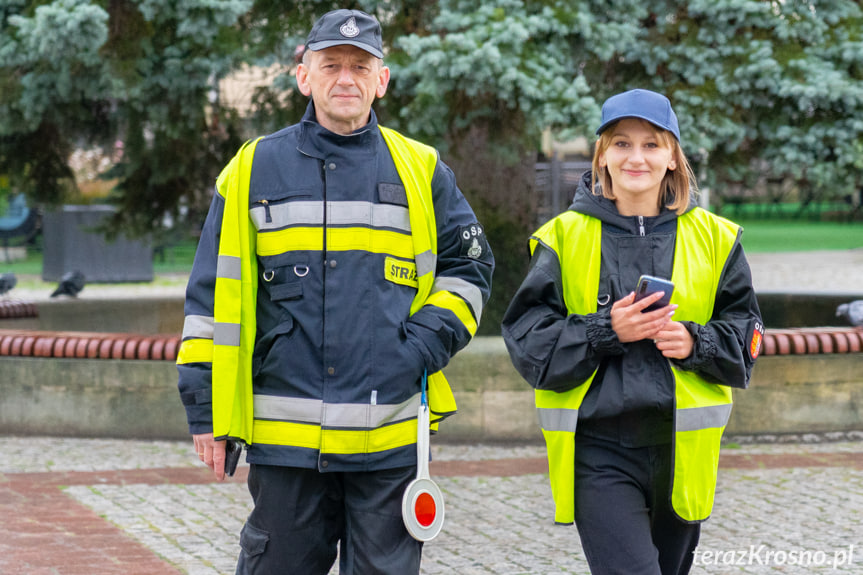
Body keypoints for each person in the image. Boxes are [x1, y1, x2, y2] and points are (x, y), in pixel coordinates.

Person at [176, 9, 493, 574]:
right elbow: (210, 300)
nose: (345, 78)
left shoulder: (422, 169)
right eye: (330, 65)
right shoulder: (252, 168)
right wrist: (205, 410)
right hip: (285, 440)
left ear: (382, 80)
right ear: (304, 76)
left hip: (389, 434)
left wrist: (418, 349)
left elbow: (469, 270)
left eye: (359, 66)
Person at [502, 89, 763, 575]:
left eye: (652, 144)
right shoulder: (563, 236)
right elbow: (530, 344)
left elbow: (745, 338)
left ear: (672, 158)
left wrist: (694, 342)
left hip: (683, 453)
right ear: (602, 155)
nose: (636, 157)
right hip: (600, 453)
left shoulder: (717, 238)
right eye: (621, 144)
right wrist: (606, 331)